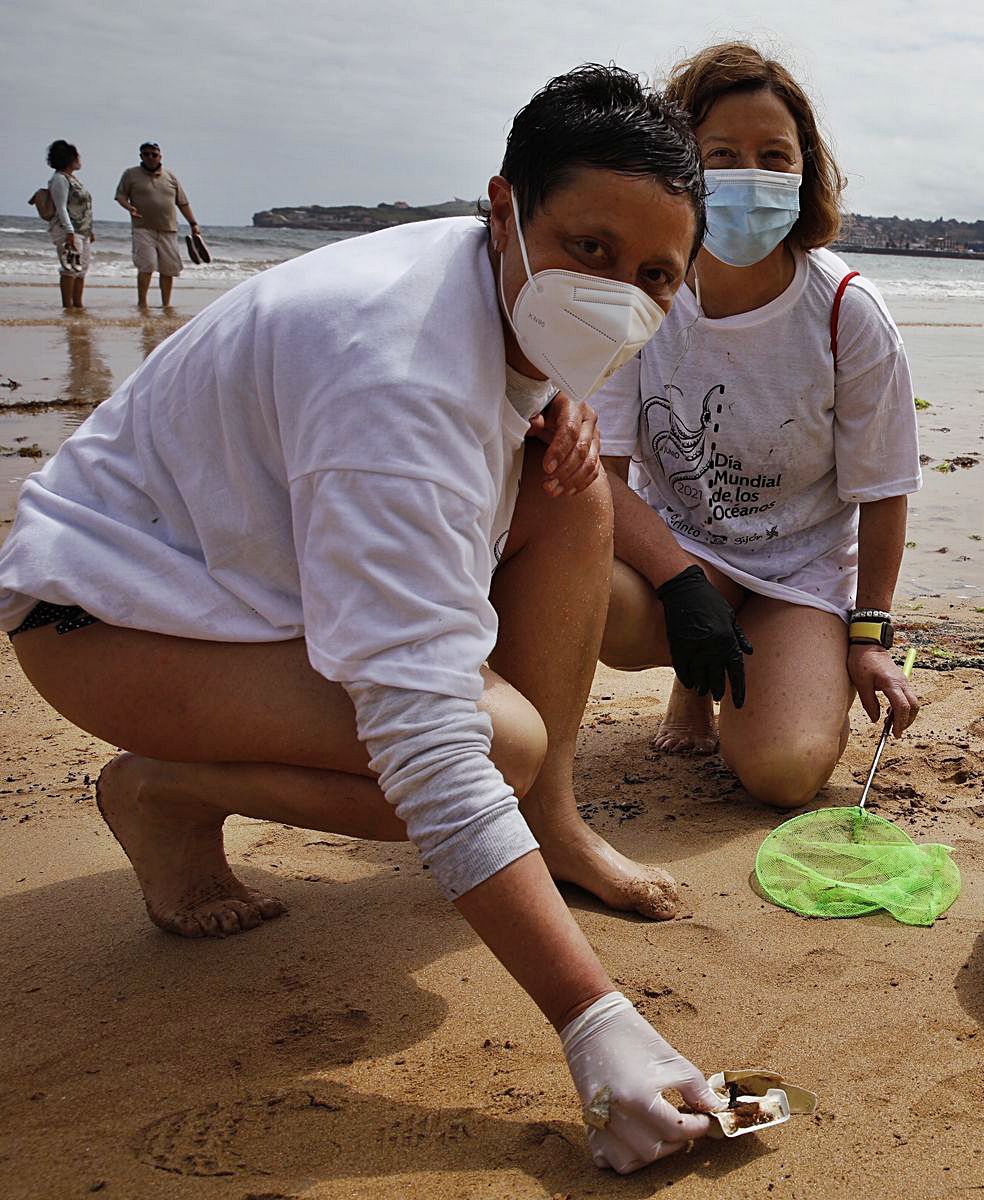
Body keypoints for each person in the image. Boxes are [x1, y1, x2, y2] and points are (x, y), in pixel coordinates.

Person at [1, 66, 720, 1175]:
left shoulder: (491, 291)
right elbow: (425, 737)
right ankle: (162, 787)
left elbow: (502, 390)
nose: (618, 293)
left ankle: (552, 823)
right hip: (102, 618)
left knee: (574, 492)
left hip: (254, 584)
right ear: (502, 211)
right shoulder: (393, 378)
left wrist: (556, 399)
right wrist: (592, 1017)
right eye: (588, 250)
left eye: (654, 275)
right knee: (494, 747)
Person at [594, 41, 921, 809]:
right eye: (721, 154)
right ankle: (690, 679)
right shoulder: (642, 297)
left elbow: (884, 490)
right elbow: (600, 479)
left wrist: (869, 641)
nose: (751, 176)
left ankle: (765, 672)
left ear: (805, 170)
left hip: (798, 575)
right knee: (558, 574)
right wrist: (679, 585)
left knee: (783, 773)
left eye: (774, 156)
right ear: (679, 166)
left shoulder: (846, 313)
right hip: (678, 556)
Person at [114, 141, 202, 308]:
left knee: (168, 269)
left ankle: (166, 304)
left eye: (154, 154)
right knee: (146, 265)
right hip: (142, 228)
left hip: (168, 229)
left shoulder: (170, 176)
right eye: (146, 154)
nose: (150, 157)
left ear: (160, 156)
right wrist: (129, 207)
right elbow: (120, 196)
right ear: (141, 156)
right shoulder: (131, 174)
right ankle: (142, 303)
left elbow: (182, 203)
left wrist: (193, 223)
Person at [43, 140, 94, 310]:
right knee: (70, 268)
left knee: (81, 269)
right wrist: (69, 231)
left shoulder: (72, 179)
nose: (79, 159)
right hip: (68, 230)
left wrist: (89, 229)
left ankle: (77, 304)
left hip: (82, 230)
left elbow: (82, 207)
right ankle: (68, 306)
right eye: (76, 156)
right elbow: (61, 207)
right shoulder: (60, 179)